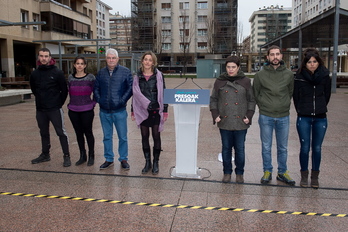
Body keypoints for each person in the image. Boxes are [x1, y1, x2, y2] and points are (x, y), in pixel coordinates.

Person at [253, 45, 295, 185]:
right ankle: (267, 171)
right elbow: (256, 93)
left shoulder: (289, 74)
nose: (275, 57)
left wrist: (283, 104)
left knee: (282, 147)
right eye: (272, 54)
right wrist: (264, 106)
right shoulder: (260, 75)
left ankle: (282, 172)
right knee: (266, 146)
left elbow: (290, 92)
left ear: (281, 56)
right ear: (268, 57)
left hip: (283, 116)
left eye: (277, 54)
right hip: (266, 116)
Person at [210, 56, 256, 183]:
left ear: (238, 67)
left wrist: (249, 115)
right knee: (226, 148)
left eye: (233, 67)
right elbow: (213, 99)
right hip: (225, 121)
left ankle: (240, 173)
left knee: (240, 149)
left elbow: (251, 100)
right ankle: (227, 172)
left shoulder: (245, 81)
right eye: (228, 67)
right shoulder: (219, 81)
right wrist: (215, 114)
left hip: (241, 121)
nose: (230, 70)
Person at [293, 48, 331, 188]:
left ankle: (315, 177)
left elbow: (326, 96)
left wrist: (320, 107)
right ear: (305, 63)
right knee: (304, 148)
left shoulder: (325, 76)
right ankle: (304, 175)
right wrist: (302, 110)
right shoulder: (299, 76)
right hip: (304, 116)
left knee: (317, 148)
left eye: (314, 62)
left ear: (318, 62)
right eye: (309, 62)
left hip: (320, 117)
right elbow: (296, 97)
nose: (312, 64)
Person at [30, 47, 71, 167]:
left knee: (61, 132)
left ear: (50, 57)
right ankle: (45, 154)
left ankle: (66, 155)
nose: (44, 58)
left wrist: (58, 104)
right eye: (41, 56)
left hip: (54, 109)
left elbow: (64, 90)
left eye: (46, 56)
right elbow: (34, 89)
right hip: (41, 109)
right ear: (38, 57)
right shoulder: (34, 74)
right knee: (43, 132)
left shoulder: (57, 72)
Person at [94, 48, 133, 170]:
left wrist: (122, 101)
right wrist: (99, 100)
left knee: (122, 136)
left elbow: (130, 88)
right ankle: (109, 158)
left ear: (117, 59)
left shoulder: (125, 72)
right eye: (109, 58)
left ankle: (123, 159)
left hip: (119, 111)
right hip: (104, 111)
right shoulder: (101, 73)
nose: (111, 60)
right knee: (107, 136)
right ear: (106, 59)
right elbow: (96, 89)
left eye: (113, 58)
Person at [131, 51, 168, 175]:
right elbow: (135, 95)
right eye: (145, 59)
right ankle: (147, 162)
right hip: (142, 111)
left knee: (156, 136)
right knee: (144, 137)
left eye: (150, 60)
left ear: (153, 62)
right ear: (142, 61)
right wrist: (133, 110)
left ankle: (156, 162)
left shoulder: (159, 75)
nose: (147, 62)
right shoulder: (137, 76)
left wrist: (165, 110)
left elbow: (164, 92)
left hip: (156, 110)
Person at [67, 56, 96, 166]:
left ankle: (91, 156)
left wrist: (93, 103)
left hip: (87, 110)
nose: (79, 65)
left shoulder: (90, 78)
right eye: (77, 63)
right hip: (73, 110)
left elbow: (97, 92)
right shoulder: (70, 78)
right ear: (74, 65)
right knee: (78, 134)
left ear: (85, 65)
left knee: (88, 133)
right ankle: (82, 156)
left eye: (82, 63)